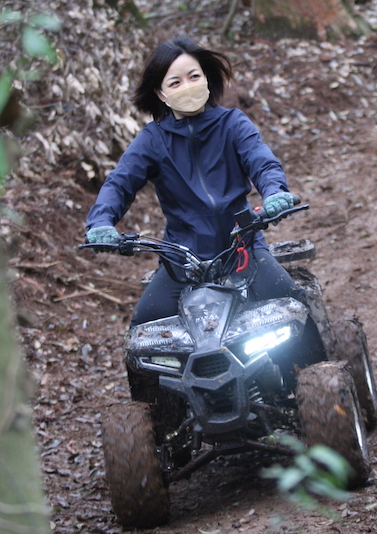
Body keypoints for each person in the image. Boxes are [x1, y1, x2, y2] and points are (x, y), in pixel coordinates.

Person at [85, 36, 299, 326]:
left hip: (242, 248)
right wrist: (100, 222)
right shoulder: (152, 140)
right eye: (175, 82)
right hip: (182, 261)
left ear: (206, 78)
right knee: (145, 327)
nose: (187, 86)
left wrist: (274, 192)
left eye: (194, 76)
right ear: (161, 94)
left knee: (290, 307)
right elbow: (119, 184)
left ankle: (325, 356)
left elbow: (262, 161)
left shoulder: (233, 124)